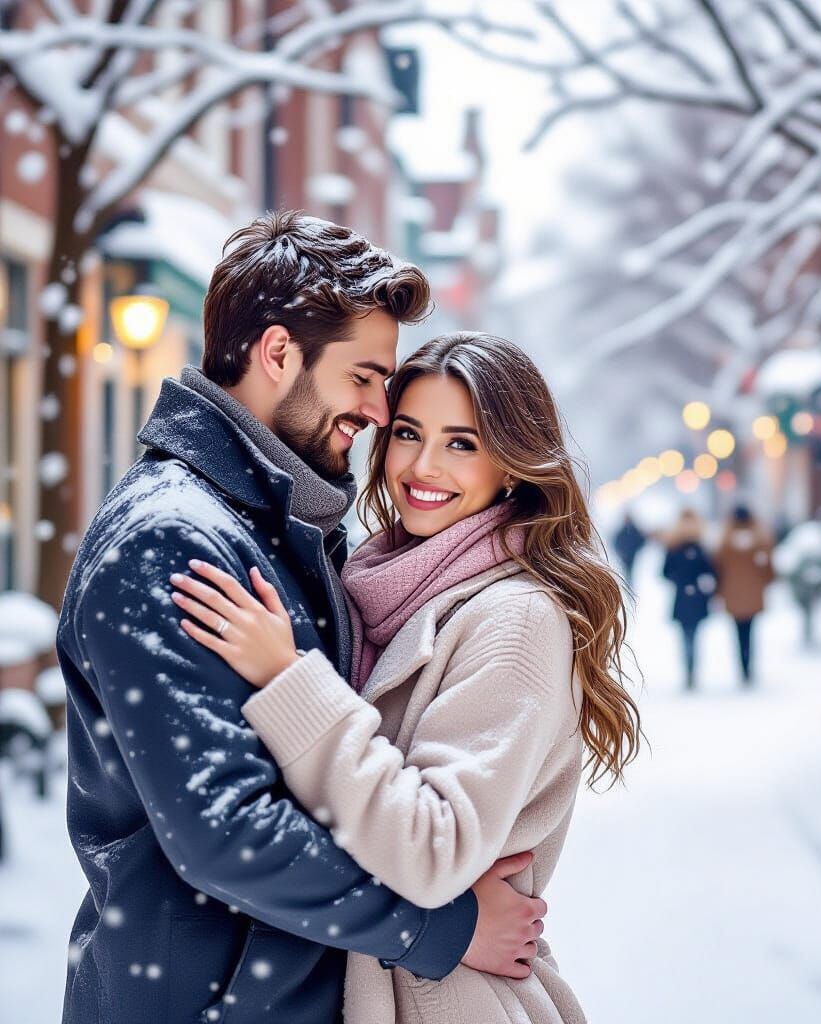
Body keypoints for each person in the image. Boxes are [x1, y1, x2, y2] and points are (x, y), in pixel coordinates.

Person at [56, 214, 545, 1024]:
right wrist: (439, 927)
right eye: (364, 377)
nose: (379, 410)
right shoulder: (172, 540)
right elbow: (225, 830)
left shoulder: (278, 527)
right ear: (279, 353)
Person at [171, 331, 642, 1023]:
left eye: (462, 443)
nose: (423, 466)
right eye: (408, 433)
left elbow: (431, 849)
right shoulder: (381, 587)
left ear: (512, 467)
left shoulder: (514, 619)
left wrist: (289, 679)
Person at [716, 503, 775, 685]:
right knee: (750, 632)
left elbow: (718, 567)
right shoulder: (760, 541)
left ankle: (742, 666)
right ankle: (749, 667)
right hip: (753, 595)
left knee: (738, 632)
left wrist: (720, 590)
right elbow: (769, 571)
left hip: (733, 595)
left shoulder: (725, 542)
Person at [658, 509, 716, 691]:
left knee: (688, 636)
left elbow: (665, 572)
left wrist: (681, 580)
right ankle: (691, 670)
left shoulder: (676, 547)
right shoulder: (698, 547)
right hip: (694, 597)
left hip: (685, 598)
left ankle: (689, 670)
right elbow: (710, 572)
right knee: (692, 636)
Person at [611, 512, 645, 588]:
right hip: (625, 555)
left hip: (632, 555)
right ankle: (626, 585)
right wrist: (620, 551)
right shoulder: (622, 530)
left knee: (632, 571)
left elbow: (641, 540)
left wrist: (635, 550)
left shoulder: (634, 530)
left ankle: (630, 586)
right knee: (625, 570)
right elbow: (616, 542)